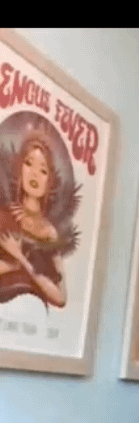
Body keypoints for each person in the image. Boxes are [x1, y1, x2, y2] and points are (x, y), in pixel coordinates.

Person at [0, 131, 69, 309]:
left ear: (49, 181)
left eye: (43, 170)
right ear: (20, 168)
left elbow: (60, 297)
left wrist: (21, 259)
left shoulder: (49, 232)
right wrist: (12, 264)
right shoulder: (4, 215)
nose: (34, 174)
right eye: (29, 163)